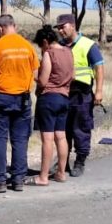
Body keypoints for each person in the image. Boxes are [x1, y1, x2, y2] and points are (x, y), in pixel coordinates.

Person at [0, 14, 40, 193]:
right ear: (15, 25)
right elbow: (37, 75)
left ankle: (0, 181)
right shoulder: (27, 46)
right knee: (20, 140)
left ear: (0, 28)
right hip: (22, 98)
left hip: (1, 97)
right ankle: (18, 180)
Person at [54, 13, 104, 177]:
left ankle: (80, 161)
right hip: (62, 94)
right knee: (63, 130)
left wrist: (99, 91)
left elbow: (99, 68)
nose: (61, 30)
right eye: (59, 28)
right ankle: (63, 161)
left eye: (63, 27)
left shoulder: (88, 45)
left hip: (82, 95)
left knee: (81, 129)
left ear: (73, 25)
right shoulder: (58, 46)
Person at [29, 25, 74, 185]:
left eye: (41, 45)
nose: (41, 49)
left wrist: (35, 75)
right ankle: (61, 173)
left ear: (45, 41)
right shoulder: (68, 52)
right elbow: (72, 75)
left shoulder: (49, 54)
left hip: (49, 99)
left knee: (47, 139)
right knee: (61, 136)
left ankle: (43, 176)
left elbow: (42, 80)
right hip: (64, 98)